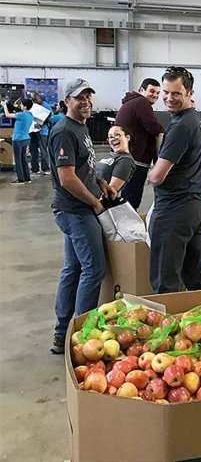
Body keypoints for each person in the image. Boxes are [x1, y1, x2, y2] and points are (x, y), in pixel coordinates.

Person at [48, 79, 116, 354]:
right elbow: (66, 179)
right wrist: (95, 204)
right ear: (67, 101)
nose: (86, 101)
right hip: (75, 210)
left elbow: (82, 168)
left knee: (73, 269)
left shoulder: (80, 127)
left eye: (89, 96)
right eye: (79, 97)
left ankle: (63, 334)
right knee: (94, 269)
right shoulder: (64, 130)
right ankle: (82, 335)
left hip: (79, 207)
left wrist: (101, 184)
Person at [147, 66, 201, 294]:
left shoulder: (180, 126)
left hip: (174, 210)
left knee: (165, 280)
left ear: (189, 93)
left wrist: (146, 170)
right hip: (196, 204)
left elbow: (157, 177)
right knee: (195, 275)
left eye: (176, 93)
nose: (168, 98)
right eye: (165, 92)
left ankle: (169, 327)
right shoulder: (196, 118)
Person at [115, 78, 165, 211]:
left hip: (127, 157)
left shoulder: (132, 103)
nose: (155, 95)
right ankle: (127, 228)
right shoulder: (142, 103)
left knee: (127, 196)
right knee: (132, 199)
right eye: (152, 91)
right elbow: (154, 127)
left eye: (158, 93)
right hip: (136, 159)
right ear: (141, 90)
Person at [1, 98, 34, 185]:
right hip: (26, 138)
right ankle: (27, 178)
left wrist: (4, 106)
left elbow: (7, 115)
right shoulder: (30, 115)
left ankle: (20, 179)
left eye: (22, 104)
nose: (20, 105)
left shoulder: (21, 115)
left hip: (18, 139)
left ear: (25, 106)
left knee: (18, 160)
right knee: (23, 159)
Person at [95, 125, 136, 194]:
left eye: (117, 135)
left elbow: (110, 192)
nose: (113, 138)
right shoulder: (110, 156)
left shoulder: (125, 160)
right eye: (110, 137)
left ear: (127, 137)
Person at [30, 92, 53, 175]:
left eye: (36, 99)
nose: (35, 101)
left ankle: (46, 168)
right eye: (33, 100)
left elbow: (50, 118)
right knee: (33, 150)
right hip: (32, 131)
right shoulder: (32, 105)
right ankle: (34, 168)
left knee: (43, 150)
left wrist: (41, 123)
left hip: (43, 131)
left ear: (40, 98)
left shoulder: (45, 106)